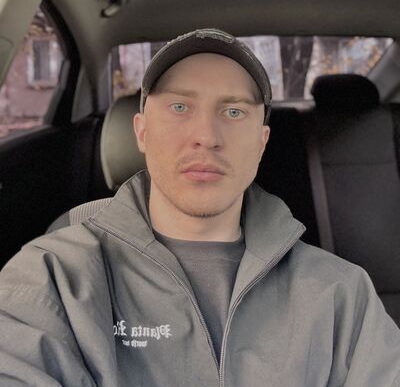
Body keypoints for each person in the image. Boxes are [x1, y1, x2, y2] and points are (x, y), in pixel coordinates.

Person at [0, 28, 399, 386]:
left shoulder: (342, 295)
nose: (206, 136)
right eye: (179, 107)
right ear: (142, 131)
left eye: (233, 111)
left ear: (261, 142)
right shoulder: (53, 278)